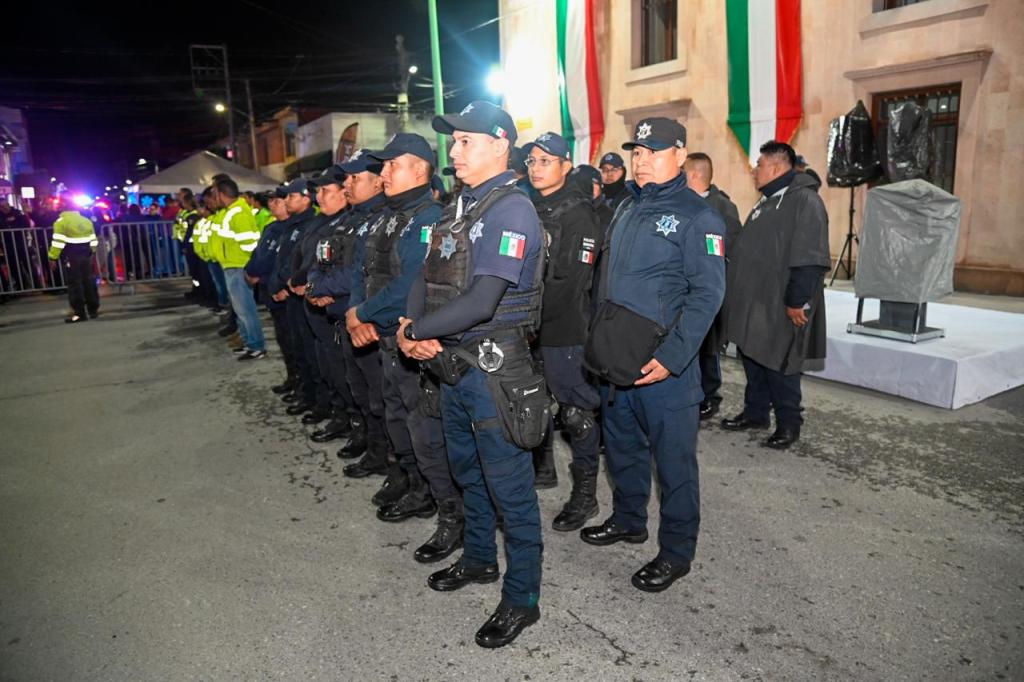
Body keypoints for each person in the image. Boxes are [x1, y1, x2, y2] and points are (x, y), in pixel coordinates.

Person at [399, 100, 545, 648]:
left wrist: (416, 332)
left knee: (510, 489)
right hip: (453, 365)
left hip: (495, 370)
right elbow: (425, 275)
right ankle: (480, 558)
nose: (454, 151)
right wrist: (411, 325)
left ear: (501, 144)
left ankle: (522, 598)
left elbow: (484, 301)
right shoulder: (459, 208)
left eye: (466, 141)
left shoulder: (512, 211)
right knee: (469, 473)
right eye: (453, 141)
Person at [580, 117, 725, 593]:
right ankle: (628, 520)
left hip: (665, 368)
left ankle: (677, 552)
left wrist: (674, 356)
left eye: (653, 152)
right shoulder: (626, 207)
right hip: (618, 357)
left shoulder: (699, 216)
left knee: (674, 466)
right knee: (623, 448)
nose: (641, 161)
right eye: (637, 152)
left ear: (680, 155)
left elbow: (708, 295)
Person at [347, 134, 459, 564]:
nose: (384, 173)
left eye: (393, 165)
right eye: (384, 165)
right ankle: (416, 485)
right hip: (384, 338)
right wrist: (357, 313)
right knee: (398, 419)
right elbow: (363, 270)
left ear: (420, 170)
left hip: (411, 341)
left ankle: (449, 510)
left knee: (426, 430)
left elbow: (411, 280)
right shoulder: (386, 218)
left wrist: (362, 313)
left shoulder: (429, 218)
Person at [721, 140, 830, 449]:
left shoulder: (805, 202)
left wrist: (796, 301)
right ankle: (756, 413)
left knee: (781, 364)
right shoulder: (768, 200)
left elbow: (810, 258)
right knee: (753, 358)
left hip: (781, 304)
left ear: (777, 167)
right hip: (756, 303)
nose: (754, 171)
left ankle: (789, 424)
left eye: (759, 165)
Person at [524, 132, 605, 529]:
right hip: (529, 327)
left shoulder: (579, 215)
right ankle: (543, 469)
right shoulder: (530, 206)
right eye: (532, 161)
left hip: (565, 330)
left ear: (566, 165)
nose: (536, 168)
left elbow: (570, 283)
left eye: (546, 161)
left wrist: (529, 319)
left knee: (576, 414)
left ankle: (585, 495)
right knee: (533, 402)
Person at [304, 150, 389, 466]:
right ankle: (368, 441)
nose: (348, 184)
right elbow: (320, 261)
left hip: (365, 322)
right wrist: (315, 287)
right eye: (347, 178)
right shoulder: (346, 221)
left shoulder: (382, 220)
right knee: (356, 387)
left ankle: (385, 454)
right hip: (341, 317)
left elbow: (359, 271)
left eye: (355, 178)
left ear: (377, 182)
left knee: (377, 394)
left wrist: (322, 288)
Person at [295, 167, 357, 435]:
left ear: (343, 193)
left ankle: (351, 422)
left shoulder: (347, 222)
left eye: (325, 190)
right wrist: (312, 286)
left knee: (343, 369)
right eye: (318, 191)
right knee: (326, 362)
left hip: (338, 304)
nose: (319, 197)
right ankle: (338, 412)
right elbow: (314, 264)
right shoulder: (324, 222)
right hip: (318, 299)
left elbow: (351, 270)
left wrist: (316, 287)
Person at [682, 152, 742, 420]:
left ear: (694, 174)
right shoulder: (681, 202)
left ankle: (709, 395)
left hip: (708, 288)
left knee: (708, 346)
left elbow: (732, 247)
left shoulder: (722, 207)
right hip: (683, 288)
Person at [267, 179, 320, 403]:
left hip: (296, 293)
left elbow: (298, 263)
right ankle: (301, 387)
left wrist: (286, 285)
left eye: (291, 196)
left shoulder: (309, 224)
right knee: (293, 344)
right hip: (287, 292)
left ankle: (312, 395)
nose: (286, 201)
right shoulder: (292, 224)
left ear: (306, 199)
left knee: (306, 347)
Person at [212, 178, 267, 360]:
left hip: (239, 267)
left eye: (215, 194)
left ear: (221, 194)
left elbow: (250, 244)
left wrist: (250, 268)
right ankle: (249, 343)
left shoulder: (238, 213)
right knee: (240, 310)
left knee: (245, 310)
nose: (214, 199)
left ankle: (256, 346)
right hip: (233, 265)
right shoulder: (232, 211)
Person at [246, 187, 297, 377]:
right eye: (270, 201)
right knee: (282, 338)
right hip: (269, 289)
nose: (271, 205)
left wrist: (263, 276)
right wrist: (249, 270)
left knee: (292, 340)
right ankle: (291, 378)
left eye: (277, 201)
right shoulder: (271, 227)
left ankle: (298, 380)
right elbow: (258, 252)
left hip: (283, 292)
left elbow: (282, 261)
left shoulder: (292, 228)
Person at [47, 195, 100, 323]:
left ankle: (79, 314)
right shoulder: (86, 221)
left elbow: (58, 242)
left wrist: (53, 257)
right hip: (86, 255)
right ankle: (93, 310)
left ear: (62, 208)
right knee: (89, 281)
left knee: (75, 284)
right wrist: (92, 252)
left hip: (71, 256)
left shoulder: (61, 222)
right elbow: (93, 239)